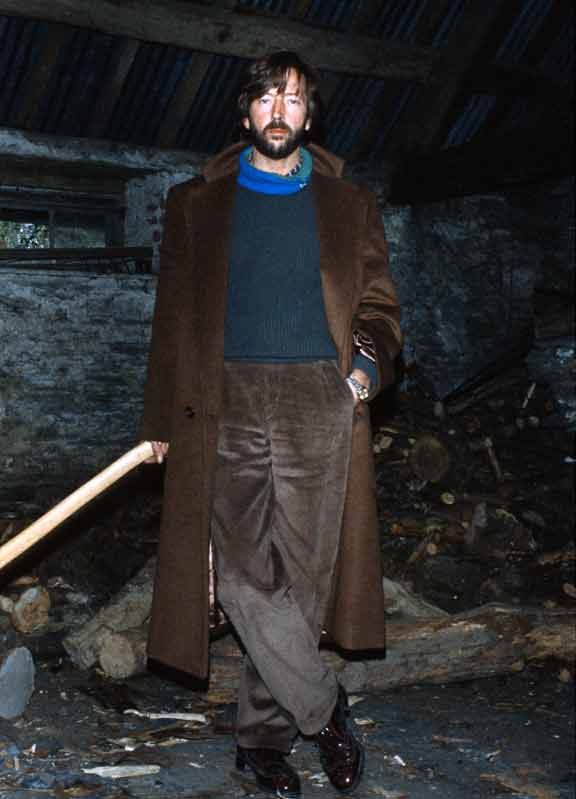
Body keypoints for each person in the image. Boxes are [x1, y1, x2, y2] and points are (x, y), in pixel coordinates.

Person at [139, 51, 402, 797]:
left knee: (304, 580)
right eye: (265, 98)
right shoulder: (197, 202)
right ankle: (324, 708)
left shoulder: (350, 203)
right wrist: (159, 417)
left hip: (318, 394)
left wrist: (364, 371)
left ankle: (260, 743)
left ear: (309, 116)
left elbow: (380, 307)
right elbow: (172, 318)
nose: (278, 111)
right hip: (223, 397)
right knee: (244, 577)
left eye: (292, 99)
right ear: (245, 112)